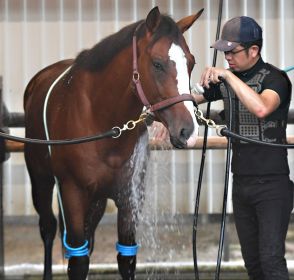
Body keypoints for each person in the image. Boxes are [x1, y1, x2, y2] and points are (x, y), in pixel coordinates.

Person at [151, 16, 293, 280]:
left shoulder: (276, 79)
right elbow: (191, 97)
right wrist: (164, 115)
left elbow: (261, 107)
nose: (226, 57)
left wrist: (227, 76)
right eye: (223, 52)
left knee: (271, 260)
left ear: (254, 50)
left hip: (272, 186)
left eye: (232, 51)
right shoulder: (227, 82)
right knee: (253, 264)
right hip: (241, 185)